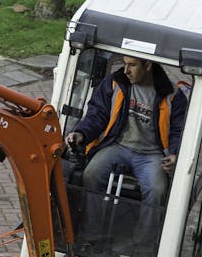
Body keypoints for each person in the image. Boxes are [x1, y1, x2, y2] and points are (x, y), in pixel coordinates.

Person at [65, 56, 188, 243]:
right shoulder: (114, 84)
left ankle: (143, 241)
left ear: (148, 65)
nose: (126, 70)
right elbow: (97, 114)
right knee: (91, 174)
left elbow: (179, 130)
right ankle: (92, 231)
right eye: (124, 64)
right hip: (117, 145)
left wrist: (174, 154)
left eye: (132, 65)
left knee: (157, 190)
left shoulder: (172, 95)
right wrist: (80, 133)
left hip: (152, 154)